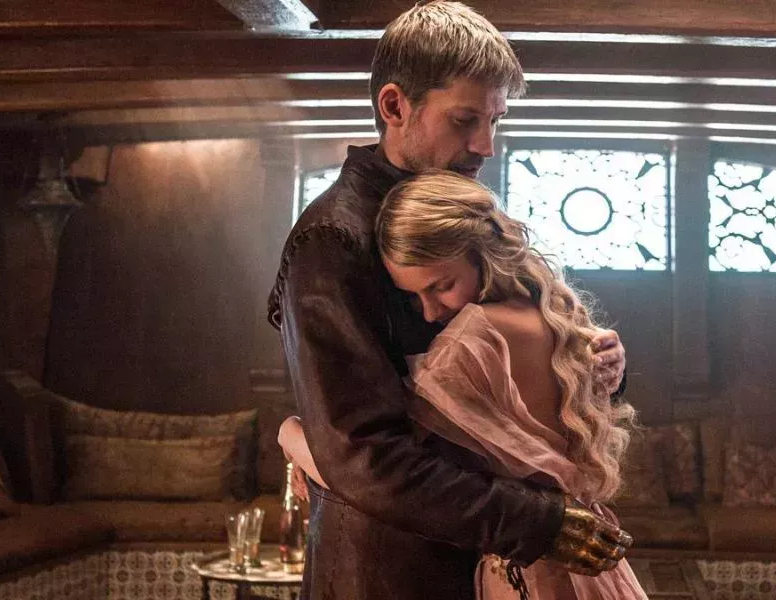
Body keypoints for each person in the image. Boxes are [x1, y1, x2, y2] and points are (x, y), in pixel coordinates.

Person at [266, 2, 632, 598]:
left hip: (487, 564)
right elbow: (362, 454)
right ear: (394, 107)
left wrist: (600, 365)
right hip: (389, 572)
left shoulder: (462, 208)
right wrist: (535, 522)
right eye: (465, 120)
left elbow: (522, 373)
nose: (486, 145)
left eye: (495, 120)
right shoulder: (331, 240)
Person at [281, 170, 648, 600]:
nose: (430, 311)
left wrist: (289, 433)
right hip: (590, 574)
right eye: (413, 297)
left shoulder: (473, 341)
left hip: (530, 576)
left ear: (483, 254)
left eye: (442, 286)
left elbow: (376, 473)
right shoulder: (550, 317)